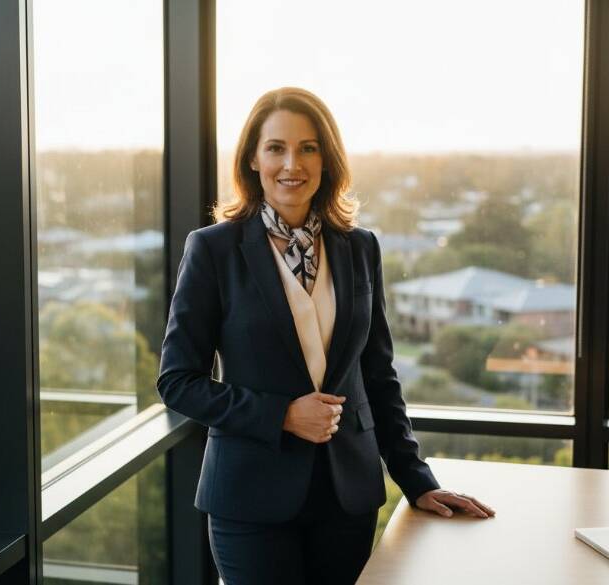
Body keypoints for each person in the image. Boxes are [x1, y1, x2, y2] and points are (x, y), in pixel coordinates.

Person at [156, 87, 494, 585]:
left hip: (347, 497)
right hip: (250, 499)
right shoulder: (213, 249)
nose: (292, 164)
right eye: (276, 148)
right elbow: (177, 382)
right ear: (253, 158)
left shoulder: (360, 247)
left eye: (308, 148)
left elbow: (378, 377)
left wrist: (417, 480)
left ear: (326, 159)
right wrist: (282, 415)